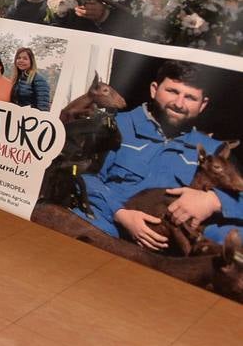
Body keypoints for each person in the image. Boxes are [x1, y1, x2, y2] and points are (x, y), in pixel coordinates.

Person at [76, 61, 241, 250]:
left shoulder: (214, 150)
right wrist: (120, 214)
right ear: (154, 90)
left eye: (190, 97)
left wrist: (214, 201)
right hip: (109, 226)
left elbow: (239, 192)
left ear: (202, 105)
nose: (179, 104)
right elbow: (84, 175)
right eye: (172, 91)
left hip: (169, 242)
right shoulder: (116, 126)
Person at [9, 47, 51, 111]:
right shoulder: (17, 79)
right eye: (18, 58)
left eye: (25, 58)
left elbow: (43, 107)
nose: (21, 60)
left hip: (30, 118)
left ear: (31, 61)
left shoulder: (39, 80)